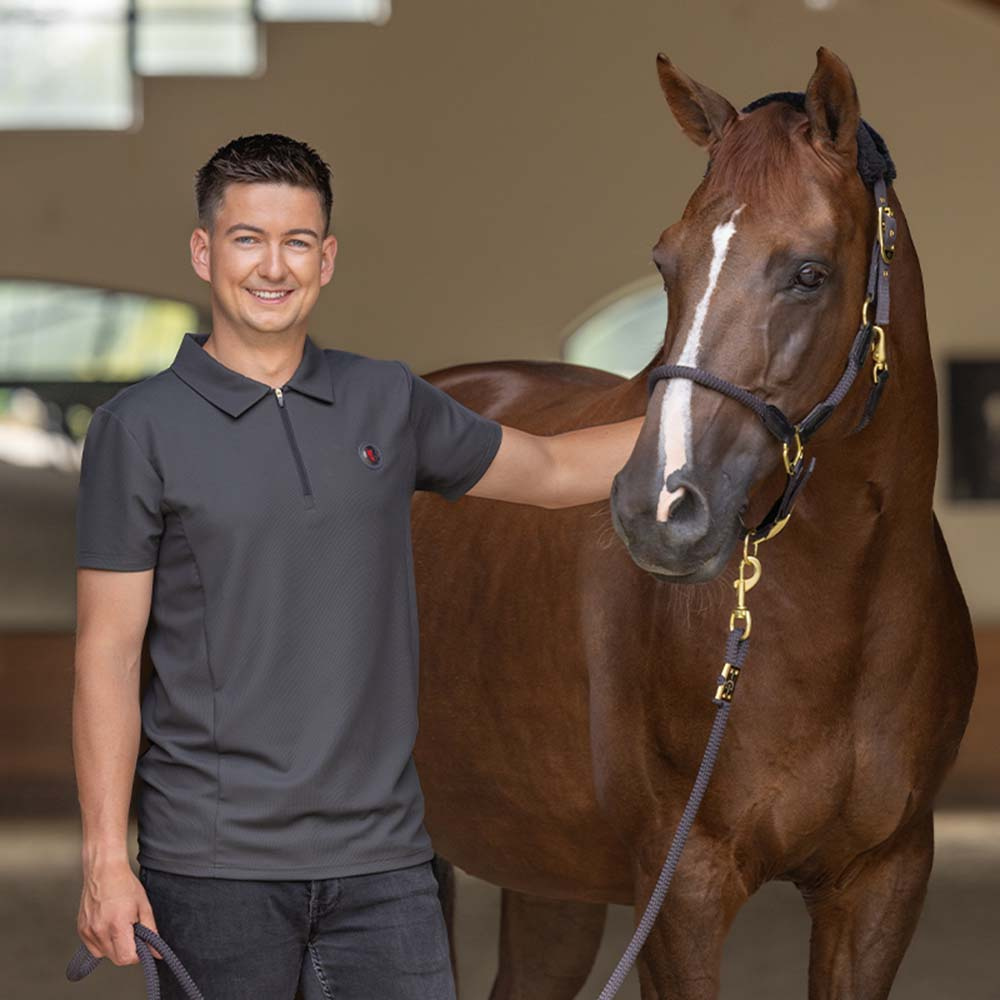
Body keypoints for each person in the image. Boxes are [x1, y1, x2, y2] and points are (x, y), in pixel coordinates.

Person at [73, 133, 642, 999]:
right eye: (247, 238)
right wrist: (105, 859)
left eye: (297, 241)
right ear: (203, 251)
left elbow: (555, 469)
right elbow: (107, 656)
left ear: (327, 259)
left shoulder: (388, 399)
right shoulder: (137, 428)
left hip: (386, 870)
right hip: (213, 868)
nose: (274, 266)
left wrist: (721, 416)